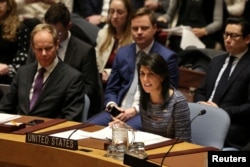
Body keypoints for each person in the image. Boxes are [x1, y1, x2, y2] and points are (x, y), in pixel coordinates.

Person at [88, 7, 178, 129]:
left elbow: (168, 95)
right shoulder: (123, 53)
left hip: (146, 114)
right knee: (86, 128)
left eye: (144, 28)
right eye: (135, 28)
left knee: (121, 132)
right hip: (118, 112)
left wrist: (136, 109)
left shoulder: (167, 57)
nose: (139, 32)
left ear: (154, 29)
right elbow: (111, 89)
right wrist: (112, 105)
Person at [26, 2, 102, 118]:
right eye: (49, 30)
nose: (53, 37)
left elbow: (90, 88)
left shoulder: (85, 51)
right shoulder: (38, 47)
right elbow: (28, 79)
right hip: (36, 105)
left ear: (69, 26)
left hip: (66, 108)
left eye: (58, 33)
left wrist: (62, 99)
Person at [0, 23, 85, 121]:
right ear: (32, 47)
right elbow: (4, 108)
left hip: (48, 132)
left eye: (48, 48)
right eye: (39, 49)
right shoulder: (23, 72)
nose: (44, 54)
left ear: (57, 45)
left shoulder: (72, 78)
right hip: (18, 130)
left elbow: (71, 119)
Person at [194, 17, 250, 150]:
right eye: (226, 34)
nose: (227, 39)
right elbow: (200, 91)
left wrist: (220, 112)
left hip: (230, 131)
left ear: (247, 39)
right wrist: (203, 105)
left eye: (234, 36)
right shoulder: (216, 61)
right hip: (203, 122)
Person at [135, 53, 191, 141]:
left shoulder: (178, 102)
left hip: (173, 151)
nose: (145, 79)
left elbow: (184, 141)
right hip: (151, 149)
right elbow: (146, 135)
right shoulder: (144, 98)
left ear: (162, 77)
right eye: (142, 74)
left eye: (151, 74)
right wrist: (126, 129)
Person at [158, 0, 223, 53]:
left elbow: (218, 22)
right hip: (181, 34)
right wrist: (163, 19)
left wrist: (204, 31)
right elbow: (169, 15)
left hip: (203, 37)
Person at [96, 0, 133, 89]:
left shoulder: (134, 39)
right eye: (112, 11)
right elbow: (95, 61)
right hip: (100, 84)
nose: (115, 16)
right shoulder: (103, 34)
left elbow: (130, 69)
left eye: (120, 12)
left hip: (122, 85)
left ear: (128, 14)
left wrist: (109, 73)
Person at [0, 0, 30, 84]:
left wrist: (8, 69)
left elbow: (23, 61)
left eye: (2, 1)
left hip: (9, 79)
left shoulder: (20, 29)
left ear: (9, 4)